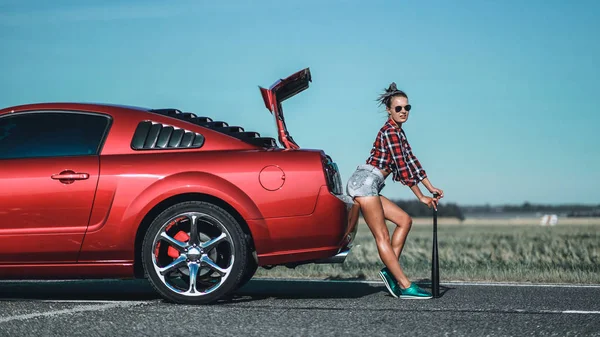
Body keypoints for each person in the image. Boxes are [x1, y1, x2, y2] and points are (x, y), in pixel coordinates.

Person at [346, 82, 444, 299]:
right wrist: (420, 196)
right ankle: (405, 284)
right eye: (398, 108)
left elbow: (411, 161)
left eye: (407, 108)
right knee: (382, 235)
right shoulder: (390, 132)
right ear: (389, 110)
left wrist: (430, 187)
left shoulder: (399, 133)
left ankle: (391, 272)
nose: (403, 112)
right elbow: (402, 168)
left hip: (371, 184)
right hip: (364, 183)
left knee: (405, 220)